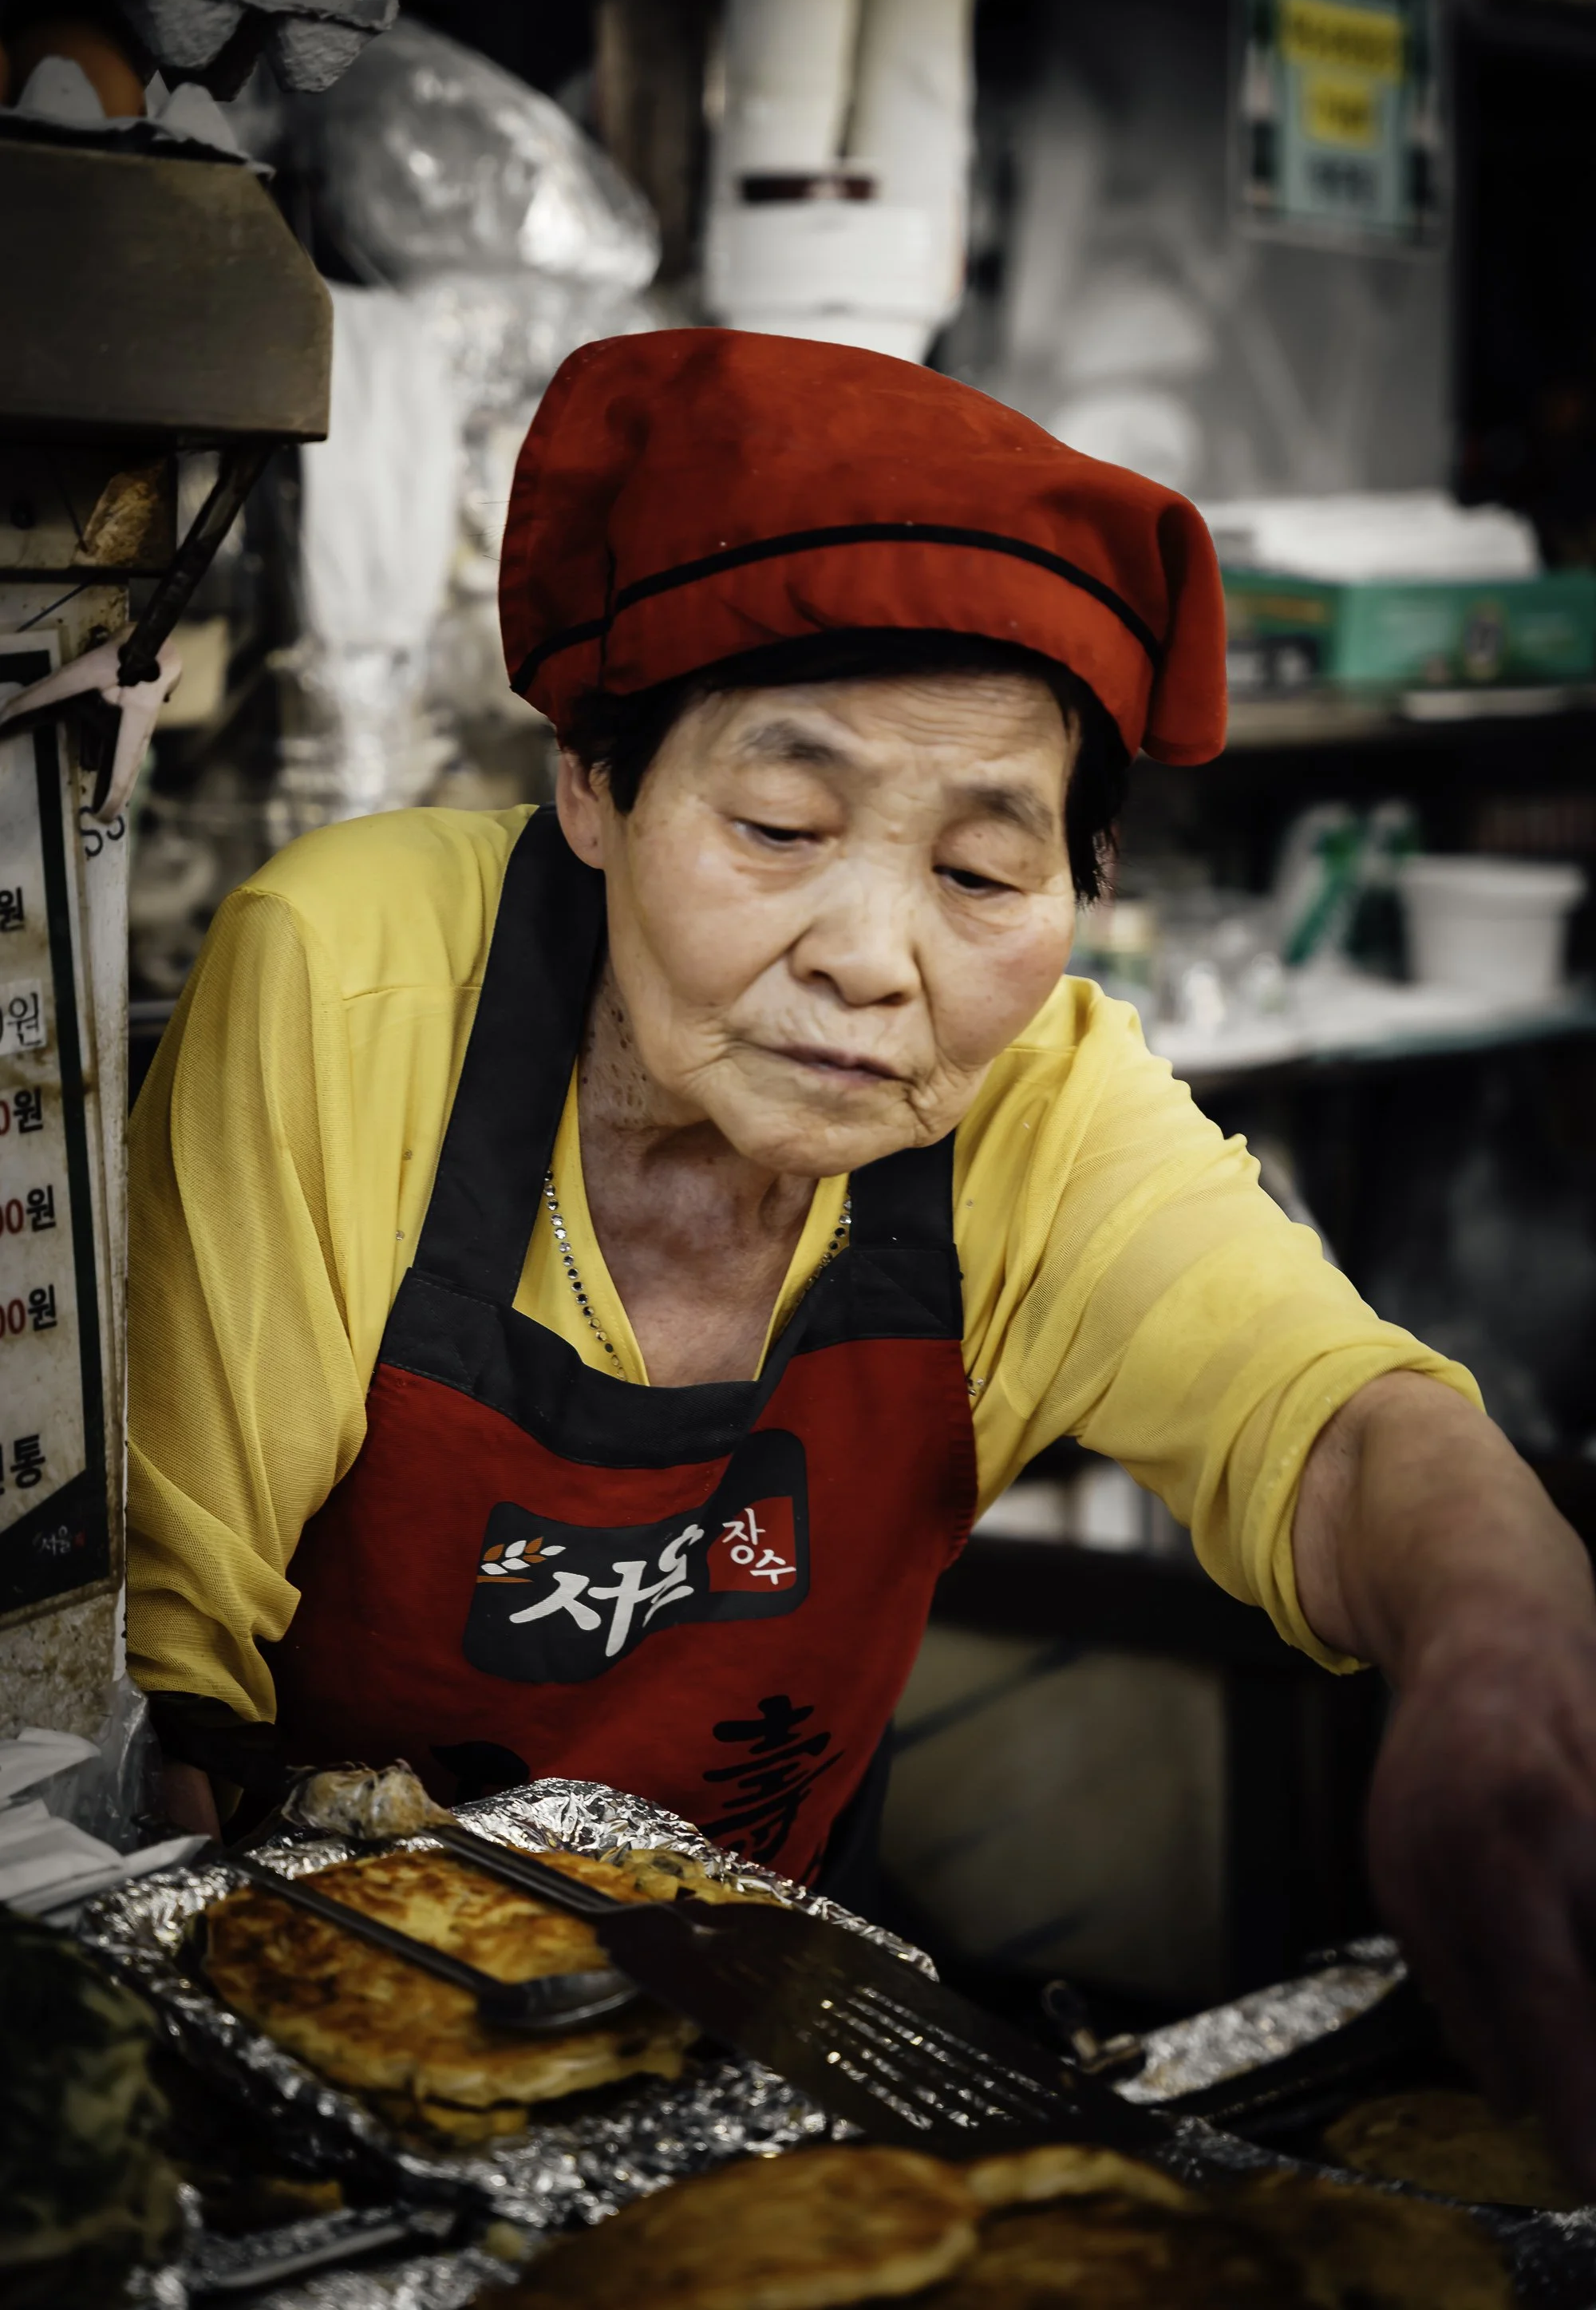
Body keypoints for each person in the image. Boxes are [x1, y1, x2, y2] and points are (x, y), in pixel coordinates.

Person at [129, 330, 1596, 2177]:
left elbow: (1350, 1424)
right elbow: (151, 1672)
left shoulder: (1033, 1105)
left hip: (781, 2095)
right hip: (290, 2064)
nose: (872, 959)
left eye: (982, 876)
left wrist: (1498, 1648)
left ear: (1081, 893)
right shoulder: (353, 987)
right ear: (594, 785)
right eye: (779, 825)